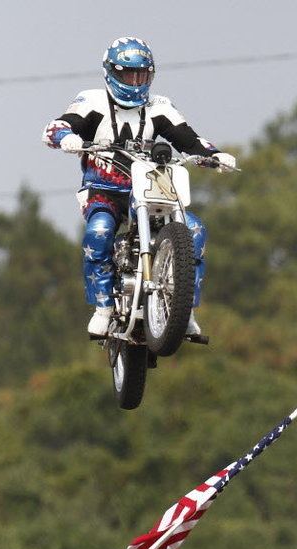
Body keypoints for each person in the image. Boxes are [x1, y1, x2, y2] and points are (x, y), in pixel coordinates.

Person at [42, 36, 236, 337]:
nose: (134, 82)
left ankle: (183, 309)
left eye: (141, 75)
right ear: (111, 72)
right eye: (127, 74)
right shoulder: (92, 101)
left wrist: (214, 154)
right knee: (99, 232)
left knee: (195, 231)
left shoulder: (160, 106)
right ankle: (104, 307)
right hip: (104, 188)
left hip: (150, 188)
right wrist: (66, 137)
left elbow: (189, 139)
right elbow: (57, 125)